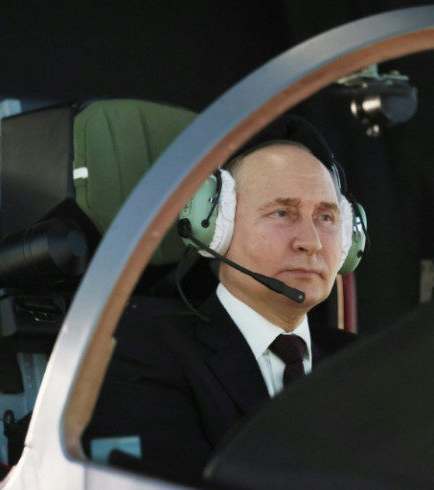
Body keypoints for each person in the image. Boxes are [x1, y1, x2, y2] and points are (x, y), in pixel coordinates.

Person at [85, 115, 360, 487]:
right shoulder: (137, 353)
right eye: (282, 213)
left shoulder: (367, 363)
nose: (311, 241)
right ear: (213, 227)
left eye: (326, 217)